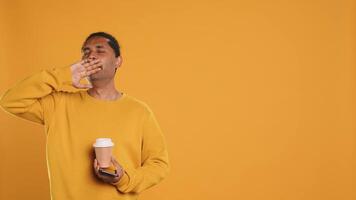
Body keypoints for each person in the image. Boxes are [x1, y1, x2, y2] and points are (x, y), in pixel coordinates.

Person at [0, 32, 170, 200]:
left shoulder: (139, 111)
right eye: (86, 52)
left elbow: (159, 164)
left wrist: (124, 179)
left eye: (100, 50)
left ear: (118, 61)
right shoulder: (58, 104)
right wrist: (63, 75)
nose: (91, 56)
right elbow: (10, 101)